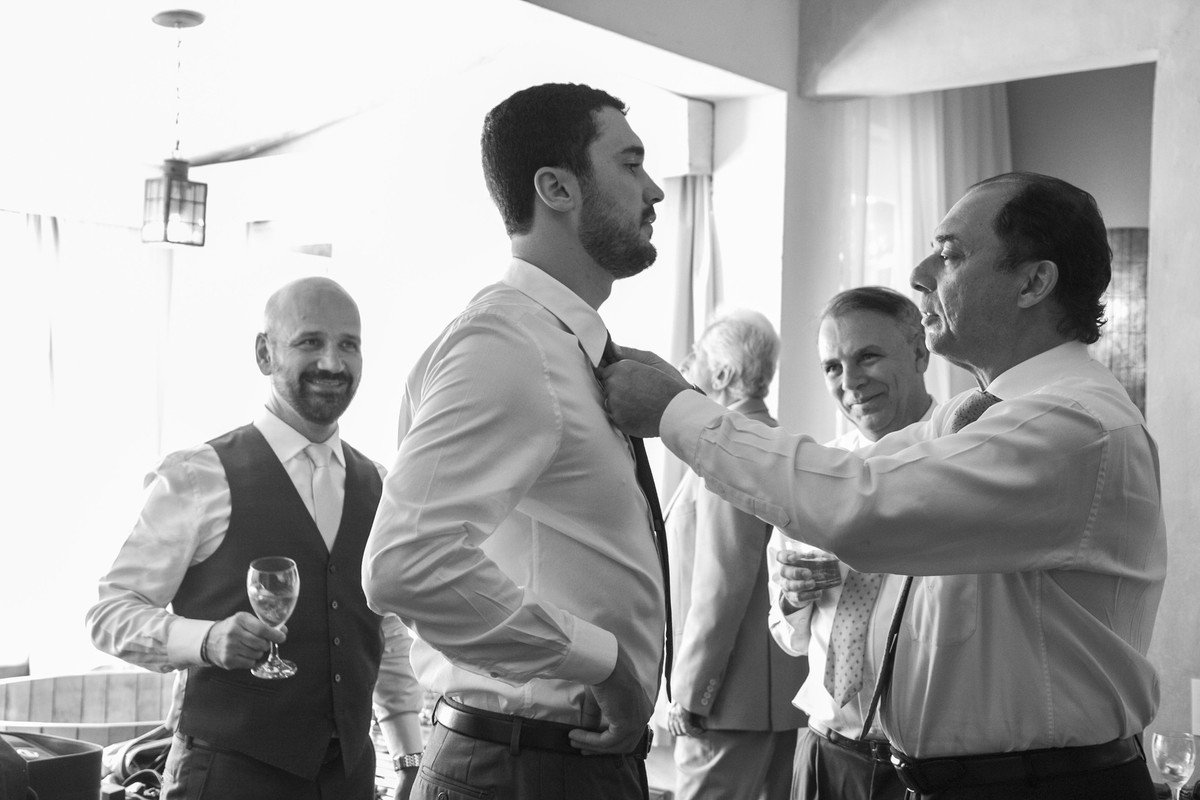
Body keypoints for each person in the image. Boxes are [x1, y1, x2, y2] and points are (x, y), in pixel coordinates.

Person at [598, 172, 1166, 799]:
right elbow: (855, 486)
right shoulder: (974, 418)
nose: (922, 273)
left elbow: (859, 506)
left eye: (949, 254)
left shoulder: (1071, 425)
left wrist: (681, 412)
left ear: (1034, 282)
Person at [362, 82, 667, 800]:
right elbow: (404, 564)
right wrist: (606, 664)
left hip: (562, 759)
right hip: (523, 769)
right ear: (557, 188)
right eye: (630, 163)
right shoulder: (506, 343)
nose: (654, 190)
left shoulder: (560, 347)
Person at [87, 277, 424, 800]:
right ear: (265, 354)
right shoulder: (197, 476)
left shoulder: (381, 486)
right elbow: (109, 615)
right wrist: (205, 640)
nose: (333, 363)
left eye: (349, 345)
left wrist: (406, 752)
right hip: (227, 776)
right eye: (310, 341)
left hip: (350, 779)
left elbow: (385, 634)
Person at [768, 286, 933, 800]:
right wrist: (793, 598)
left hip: (927, 766)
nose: (851, 382)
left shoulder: (964, 460)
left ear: (920, 353)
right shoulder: (814, 472)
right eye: (833, 367)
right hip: (825, 751)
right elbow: (784, 630)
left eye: (868, 357)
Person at [664, 309, 807, 800]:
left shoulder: (727, 449)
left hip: (726, 702)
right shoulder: (777, 442)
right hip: (778, 701)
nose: (682, 368)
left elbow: (721, 583)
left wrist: (691, 690)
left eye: (694, 359)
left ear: (722, 375)